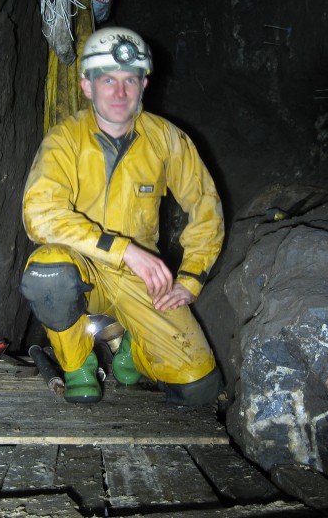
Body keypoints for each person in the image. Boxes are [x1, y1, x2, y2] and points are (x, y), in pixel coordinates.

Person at [20, 26, 224, 405]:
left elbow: (205, 207)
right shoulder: (65, 140)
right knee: (47, 270)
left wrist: (191, 279)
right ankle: (77, 365)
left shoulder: (167, 139)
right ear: (86, 86)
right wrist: (123, 249)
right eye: (107, 80)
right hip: (82, 266)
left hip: (137, 277)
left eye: (130, 80)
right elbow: (40, 214)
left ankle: (134, 346)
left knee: (197, 387)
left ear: (144, 85)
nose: (119, 92)